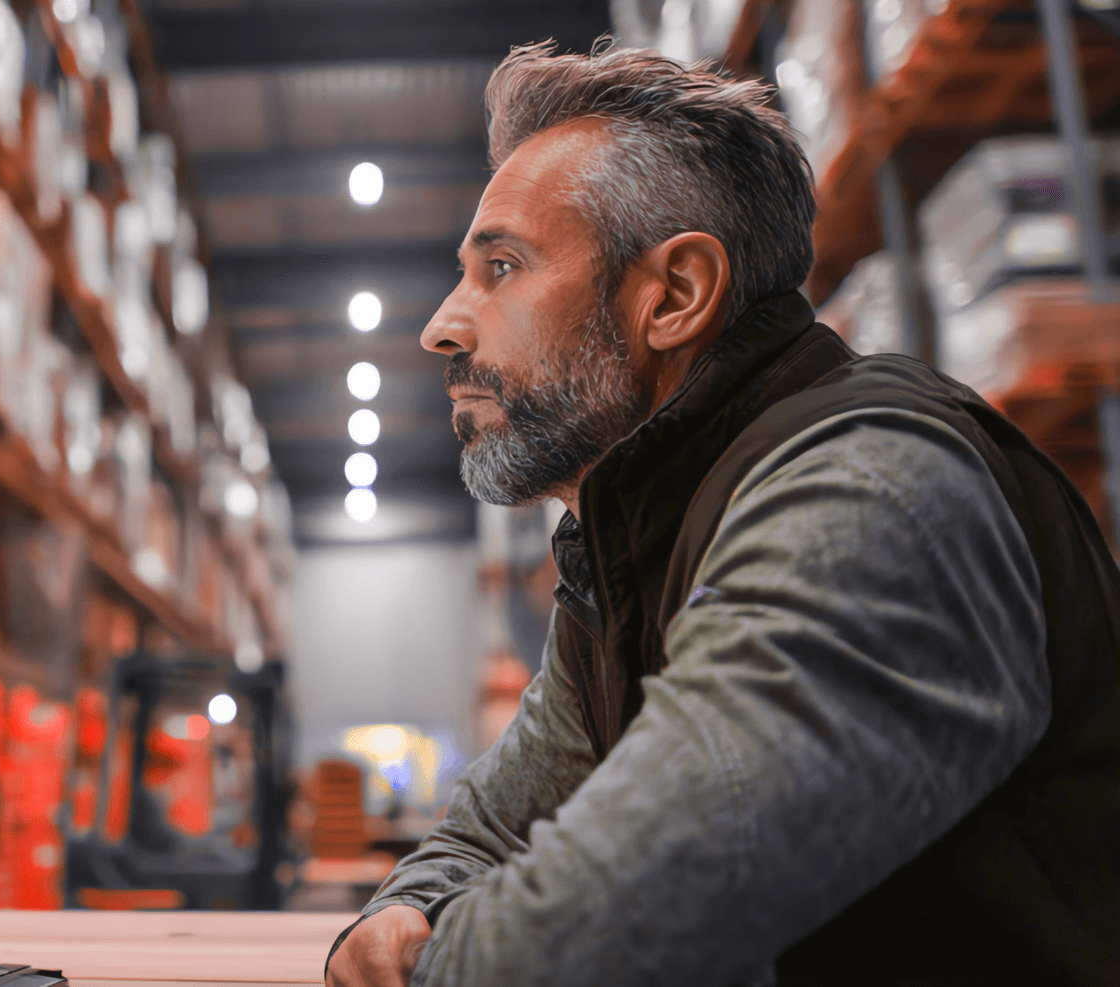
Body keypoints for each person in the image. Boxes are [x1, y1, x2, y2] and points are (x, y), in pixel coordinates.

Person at [324, 42, 1120, 986]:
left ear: (675, 295)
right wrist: (407, 908)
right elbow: (487, 830)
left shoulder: (868, 488)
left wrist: (416, 959)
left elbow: (611, 931)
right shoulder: (636, 542)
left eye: (502, 266)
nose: (443, 326)